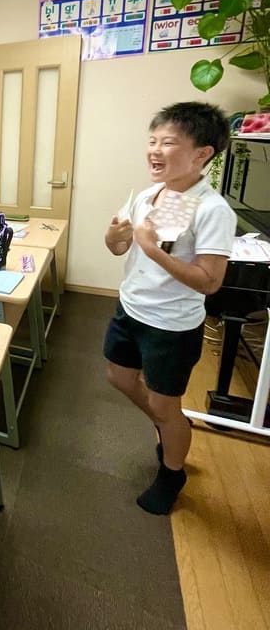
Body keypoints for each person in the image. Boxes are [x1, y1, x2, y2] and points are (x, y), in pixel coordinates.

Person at [103, 101, 235, 515]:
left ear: (202, 154)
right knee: (119, 377)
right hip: (131, 308)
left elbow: (210, 281)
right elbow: (119, 248)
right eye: (153, 141)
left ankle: (172, 470)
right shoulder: (150, 194)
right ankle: (171, 424)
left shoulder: (213, 209)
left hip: (171, 325)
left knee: (165, 404)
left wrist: (151, 250)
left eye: (169, 143)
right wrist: (115, 235)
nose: (155, 150)